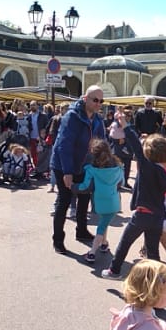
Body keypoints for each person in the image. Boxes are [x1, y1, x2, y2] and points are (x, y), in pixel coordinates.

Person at [104, 134, 166, 279]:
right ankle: (156, 280)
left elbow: (136, 146)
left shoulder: (147, 167)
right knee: (153, 251)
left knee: (125, 243)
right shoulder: (164, 171)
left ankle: (114, 270)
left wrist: (125, 126)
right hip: (157, 216)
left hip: (142, 215)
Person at [50, 87, 103, 254]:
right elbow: (63, 145)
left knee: (84, 198)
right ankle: (58, 240)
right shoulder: (72, 117)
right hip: (64, 165)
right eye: (95, 100)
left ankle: (81, 230)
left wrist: (106, 165)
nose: (98, 104)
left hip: (85, 165)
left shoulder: (97, 119)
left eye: (101, 101)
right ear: (85, 98)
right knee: (64, 200)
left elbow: (102, 143)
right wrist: (67, 172)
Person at [77, 140, 124, 262]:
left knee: (102, 224)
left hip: (99, 201)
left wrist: (72, 186)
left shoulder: (91, 169)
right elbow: (121, 183)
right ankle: (98, 248)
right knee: (103, 224)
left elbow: (84, 186)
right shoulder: (118, 167)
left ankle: (97, 248)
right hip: (113, 201)